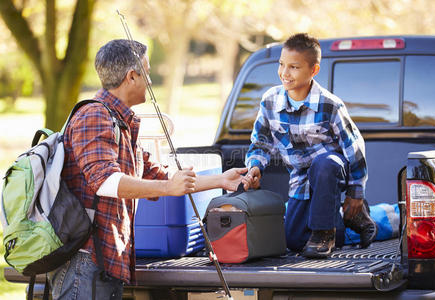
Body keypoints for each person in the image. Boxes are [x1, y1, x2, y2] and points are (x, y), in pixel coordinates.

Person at [48, 39, 247, 299]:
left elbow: (163, 177)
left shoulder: (120, 124)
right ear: (131, 76)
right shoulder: (94, 116)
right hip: (84, 263)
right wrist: (167, 186)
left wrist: (223, 180)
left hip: (103, 262)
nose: (151, 82)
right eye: (148, 73)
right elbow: (105, 180)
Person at [242, 33, 377, 258]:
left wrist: (356, 193)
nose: (285, 73)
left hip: (331, 175)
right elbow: (261, 142)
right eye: (282, 64)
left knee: (324, 163)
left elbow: (354, 147)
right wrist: (255, 166)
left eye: (294, 67)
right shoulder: (270, 101)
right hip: (300, 180)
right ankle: (355, 222)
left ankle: (326, 233)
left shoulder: (330, 105)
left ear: (313, 70)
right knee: (294, 240)